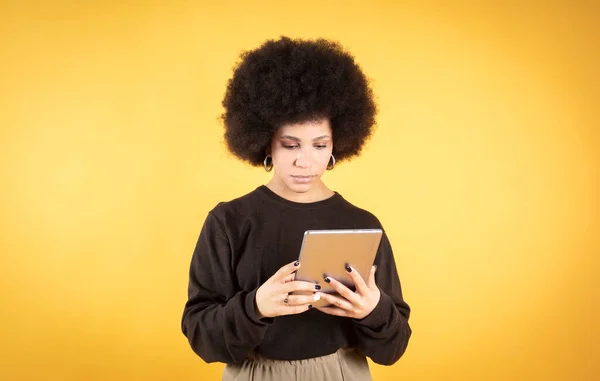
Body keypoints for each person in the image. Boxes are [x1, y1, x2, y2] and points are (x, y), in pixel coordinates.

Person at [181, 36, 412, 381]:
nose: (305, 161)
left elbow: (393, 349)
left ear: (338, 143)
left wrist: (373, 310)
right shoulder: (228, 221)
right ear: (265, 143)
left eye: (320, 145)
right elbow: (201, 336)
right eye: (290, 145)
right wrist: (256, 306)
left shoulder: (360, 224)